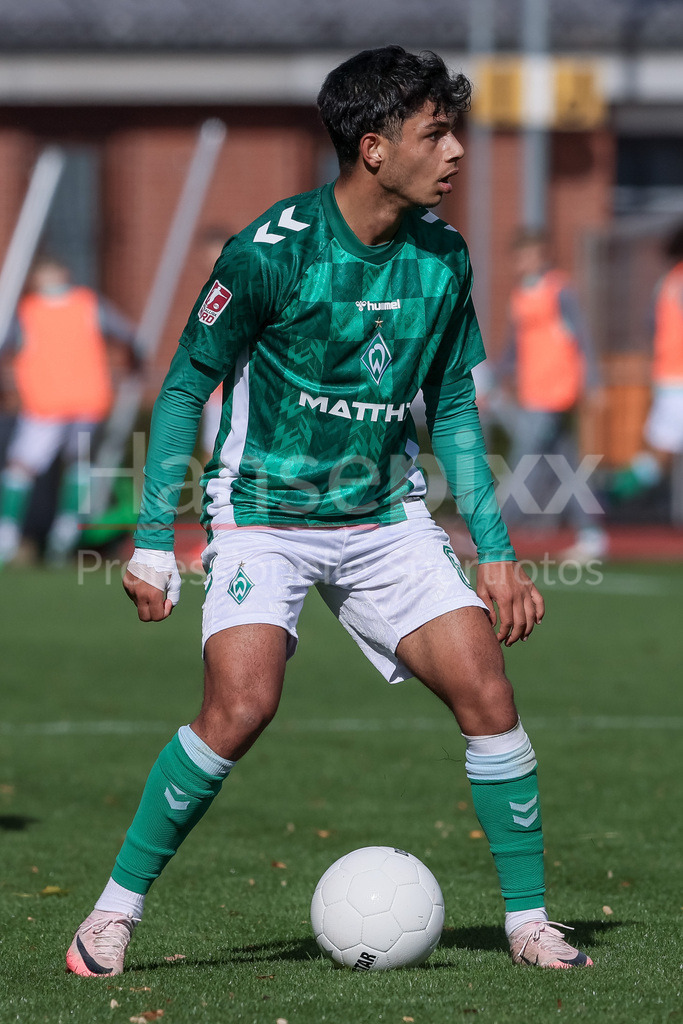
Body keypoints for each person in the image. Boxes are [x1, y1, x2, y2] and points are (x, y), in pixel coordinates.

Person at [66, 46, 593, 976]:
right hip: (263, 514)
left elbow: (457, 409)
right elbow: (185, 386)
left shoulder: (444, 256)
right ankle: (110, 915)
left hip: (383, 517)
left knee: (488, 695)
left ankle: (528, 925)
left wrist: (497, 549)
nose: (457, 152)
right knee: (240, 707)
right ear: (373, 146)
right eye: (437, 133)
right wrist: (153, 539)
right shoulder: (272, 252)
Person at [0, 256, 138, 565]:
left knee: (26, 467)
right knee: (69, 466)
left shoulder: (31, 310)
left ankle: (29, 537)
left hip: (56, 405)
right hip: (66, 403)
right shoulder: (83, 305)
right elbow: (129, 337)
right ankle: (54, 536)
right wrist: (134, 364)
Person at [495, 229, 607, 563]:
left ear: (542, 256)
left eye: (530, 255)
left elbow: (583, 337)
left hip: (556, 391)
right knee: (564, 466)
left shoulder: (559, 291)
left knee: (525, 462)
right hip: (532, 392)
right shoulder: (519, 296)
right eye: (520, 256)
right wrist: (493, 381)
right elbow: (513, 350)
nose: (524, 262)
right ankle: (592, 535)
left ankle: (492, 531)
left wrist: (594, 382)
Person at [611, 223, 683, 500]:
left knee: (657, 453)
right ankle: (609, 496)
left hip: (667, 376)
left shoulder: (665, 283)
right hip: (677, 378)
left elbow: (651, 326)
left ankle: (610, 494)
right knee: (658, 456)